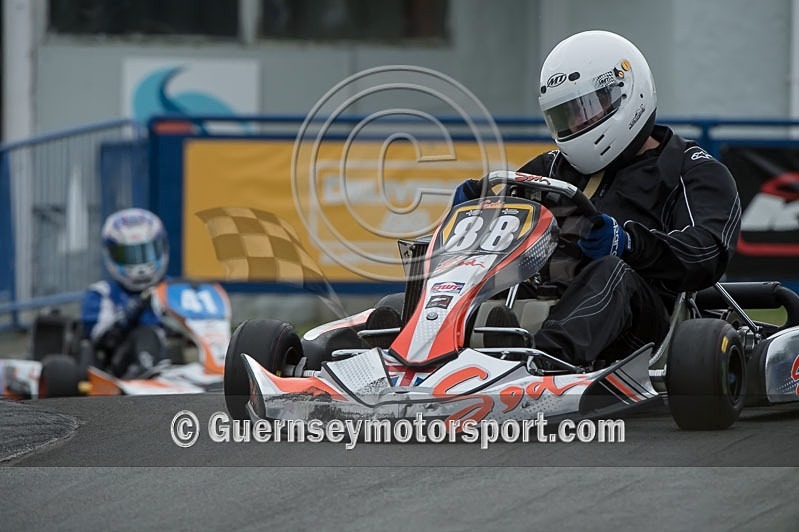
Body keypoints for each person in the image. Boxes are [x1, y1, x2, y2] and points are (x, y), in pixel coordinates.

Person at [453, 30, 742, 366]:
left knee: (611, 270)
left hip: (643, 324)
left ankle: (543, 364)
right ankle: (410, 349)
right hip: (547, 302)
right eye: (567, 116)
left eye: (587, 109)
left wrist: (629, 243)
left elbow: (705, 252)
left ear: (627, 93)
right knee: (476, 274)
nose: (577, 124)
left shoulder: (689, 169)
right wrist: (478, 212)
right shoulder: (550, 169)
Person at [80, 208, 170, 378]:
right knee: (148, 332)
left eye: (146, 252)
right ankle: (147, 372)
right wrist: (133, 311)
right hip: (124, 365)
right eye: (129, 255)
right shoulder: (101, 294)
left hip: (174, 362)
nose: (140, 265)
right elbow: (102, 341)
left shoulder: (173, 290)